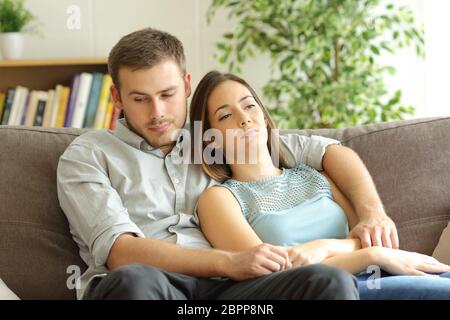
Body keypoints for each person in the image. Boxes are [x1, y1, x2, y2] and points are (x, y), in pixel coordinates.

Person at [57, 27, 390, 300]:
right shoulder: (87, 156)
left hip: (229, 293)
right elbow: (120, 251)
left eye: (168, 94)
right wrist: (230, 261)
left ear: (186, 86)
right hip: (150, 286)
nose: (157, 112)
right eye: (140, 99)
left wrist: (372, 213)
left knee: (325, 280)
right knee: (134, 281)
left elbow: (327, 151)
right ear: (116, 98)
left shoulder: (213, 136)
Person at [191, 70, 450, 300]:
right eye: (225, 115)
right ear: (210, 140)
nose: (244, 118)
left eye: (249, 106)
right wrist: (370, 256)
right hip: (340, 288)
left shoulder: (316, 176)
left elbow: (366, 239)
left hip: (385, 271)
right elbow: (270, 275)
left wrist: (321, 248)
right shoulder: (220, 199)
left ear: (265, 117)